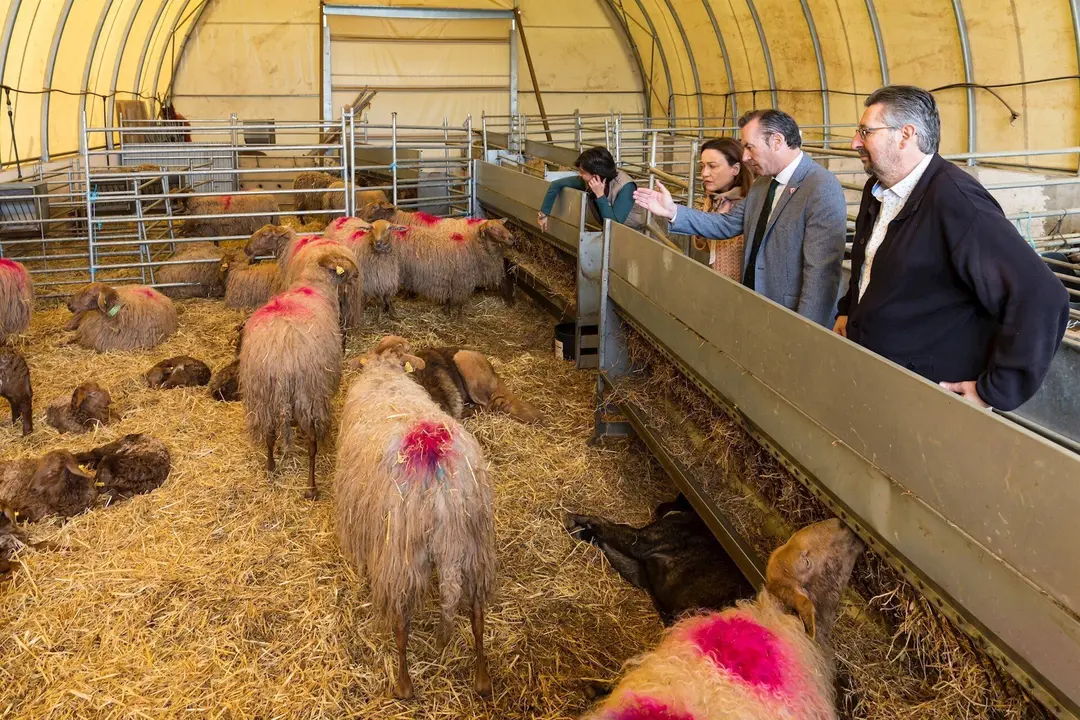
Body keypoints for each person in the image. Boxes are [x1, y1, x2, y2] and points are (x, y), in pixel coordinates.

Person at [835, 85, 1069, 412]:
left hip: (926, 394)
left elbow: (1041, 294)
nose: (855, 142)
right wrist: (849, 310)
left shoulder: (958, 204)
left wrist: (996, 390)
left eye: (865, 131)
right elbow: (868, 263)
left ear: (905, 135)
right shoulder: (880, 190)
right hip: (877, 374)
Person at [633, 109, 847, 328]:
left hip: (788, 316)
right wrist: (673, 211)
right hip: (755, 305)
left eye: (749, 146)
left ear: (777, 141)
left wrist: (808, 330)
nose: (744, 156)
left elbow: (821, 272)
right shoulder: (763, 184)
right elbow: (727, 224)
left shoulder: (820, 187)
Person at [690, 137, 756, 280]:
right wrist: (701, 231)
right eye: (702, 166)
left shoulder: (750, 203)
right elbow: (710, 247)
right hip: (719, 280)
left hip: (744, 288)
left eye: (712, 166)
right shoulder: (714, 198)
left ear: (735, 169)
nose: (704, 173)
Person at [538, 147, 646, 232]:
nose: (579, 175)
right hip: (615, 235)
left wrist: (600, 195)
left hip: (638, 235)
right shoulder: (589, 181)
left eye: (583, 172)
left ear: (596, 175)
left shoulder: (625, 187)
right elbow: (556, 184)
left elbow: (614, 225)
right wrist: (543, 214)